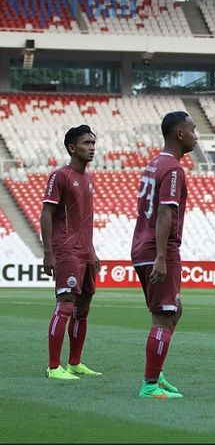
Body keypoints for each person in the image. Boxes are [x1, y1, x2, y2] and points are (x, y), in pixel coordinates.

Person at [131, 111, 197, 399]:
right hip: (160, 249)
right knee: (162, 317)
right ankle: (149, 385)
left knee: (174, 310)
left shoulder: (154, 164)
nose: (196, 135)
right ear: (179, 134)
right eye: (192, 129)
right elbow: (165, 212)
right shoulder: (172, 169)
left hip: (142, 245)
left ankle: (157, 373)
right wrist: (160, 256)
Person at [42, 125, 102, 380]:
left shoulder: (87, 179)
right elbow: (46, 213)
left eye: (93, 143)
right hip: (66, 251)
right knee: (65, 304)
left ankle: (75, 363)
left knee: (83, 308)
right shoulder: (61, 176)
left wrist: (93, 251)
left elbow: (83, 220)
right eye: (87, 143)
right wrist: (48, 251)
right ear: (72, 147)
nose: (92, 147)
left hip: (85, 253)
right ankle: (54, 367)